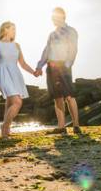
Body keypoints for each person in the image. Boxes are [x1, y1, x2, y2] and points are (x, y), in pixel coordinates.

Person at [0, 21, 36, 138]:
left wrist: (34, 72)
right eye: (13, 29)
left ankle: (6, 131)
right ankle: (5, 125)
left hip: (16, 75)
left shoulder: (16, 45)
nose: (15, 31)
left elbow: (23, 63)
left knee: (9, 102)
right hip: (3, 74)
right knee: (17, 102)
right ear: (5, 29)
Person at [35, 7, 81, 135]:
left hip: (64, 66)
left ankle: (76, 125)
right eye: (52, 17)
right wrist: (39, 66)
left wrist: (67, 64)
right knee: (57, 97)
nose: (52, 19)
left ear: (62, 16)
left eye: (55, 16)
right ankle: (61, 126)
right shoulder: (52, 34)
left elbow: (73, 49)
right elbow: (46, 51)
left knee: (69, 95)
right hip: (51, 67)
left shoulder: (71, 31)